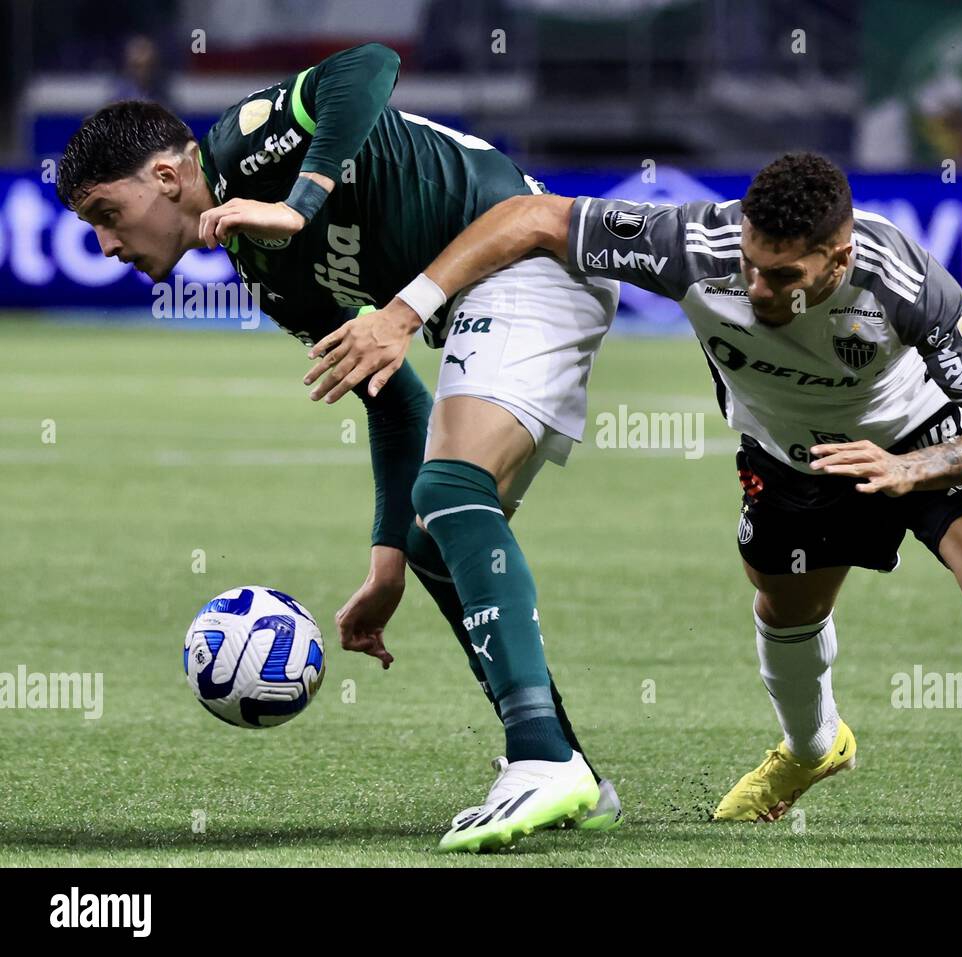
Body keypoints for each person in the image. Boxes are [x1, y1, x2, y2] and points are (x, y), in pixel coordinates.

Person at [314, 151, 962, 845]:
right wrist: (405, 314)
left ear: (838, 252)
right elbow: (531, 219)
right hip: (791, 459)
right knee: (785, 612)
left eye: (784, 276)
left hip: (927, 439)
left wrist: (911, 471)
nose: (761, 288)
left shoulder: (900, 278)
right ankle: (812, 749)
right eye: (751, 264)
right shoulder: (694, 246)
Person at [56, 42, 622, 852]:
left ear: (168, 179)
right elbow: (395, 403)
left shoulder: (242, 143)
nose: (106, 247)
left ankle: (539, 757)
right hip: (491, 293)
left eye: (107, 216)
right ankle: (565, 764)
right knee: (435, 525)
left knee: (452, 487)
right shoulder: (265, 269)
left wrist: (300, 201)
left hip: (528, 252)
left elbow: (367, 65)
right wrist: (389, 559)